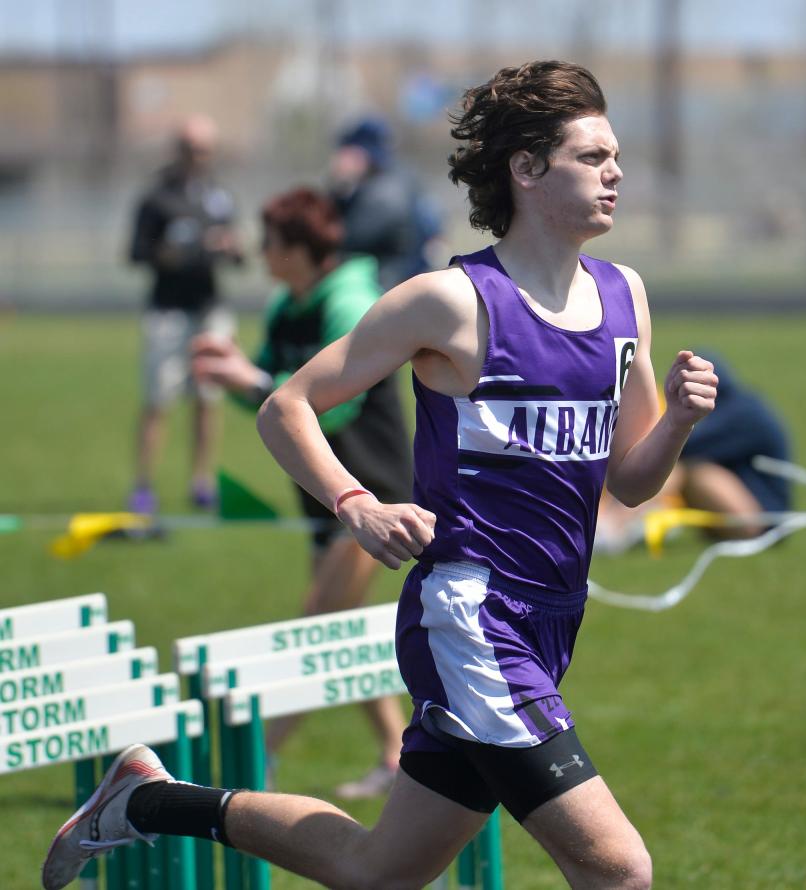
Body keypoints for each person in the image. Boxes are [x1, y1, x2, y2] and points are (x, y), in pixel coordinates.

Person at [43, 60, 718, 890]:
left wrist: (680, 420)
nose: (616, 172)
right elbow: (286, 406)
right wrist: (355, 502)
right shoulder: (450, 301)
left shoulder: (626, 298)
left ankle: (150, 802)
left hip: (554, 621)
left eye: (616, 155)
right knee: (618, 869)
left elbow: (637, 481)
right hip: (471, 619)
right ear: (527, 170)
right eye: (593, 156)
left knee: (379, 871)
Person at [190, 186, 413, 799]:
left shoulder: (350, 300)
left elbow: (336, 410)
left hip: (375, 492)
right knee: (340, 631)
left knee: (319, 624)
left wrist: (252, 375)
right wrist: (231, 371)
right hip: (326, 496)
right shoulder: (288, 304)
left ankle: (258, 757)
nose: (261, 253)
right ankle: (397, 756)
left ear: (299, 247)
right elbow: (273, 405)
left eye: (270, 242)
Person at [127, 113, 244, 514]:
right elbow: (136, 252)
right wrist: (173, 253)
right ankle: (143, 484)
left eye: (206, 150)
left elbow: (237, 251)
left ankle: (202, 481)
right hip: (168, 311)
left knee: (209, 399)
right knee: (158, 398)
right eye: (192, 149)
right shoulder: (157, 196)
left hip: (210, 308)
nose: (199, 157)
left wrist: (231, 248)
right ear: (178, 150)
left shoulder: (219, 195)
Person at [594, 352, 793, 551]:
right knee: (675, 465)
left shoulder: (741, 413)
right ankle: (631, 518)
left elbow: (684, 445)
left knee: (686, 470)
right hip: (751, 511)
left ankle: (615, 525)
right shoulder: (742, 405)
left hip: (762, 520)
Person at [331, 115, 443, 290]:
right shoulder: (394, 177)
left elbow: (345, 240)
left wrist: (340, 187)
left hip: (388, 285)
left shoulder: (386, 191)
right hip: (399, 280)